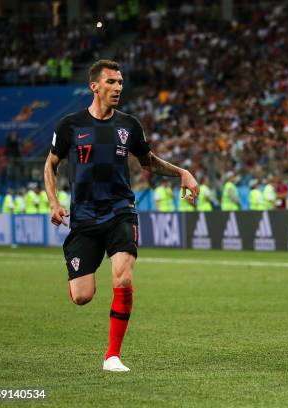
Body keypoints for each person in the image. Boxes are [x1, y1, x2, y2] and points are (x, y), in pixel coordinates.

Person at [44, 59, 199, 372]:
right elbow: (50, 164)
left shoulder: (128, 125)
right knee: (82, 296)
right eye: (111, 82)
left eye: (120, 83)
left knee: (123, 275)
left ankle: (112, 356)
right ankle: (77, 281)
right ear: (94, 86)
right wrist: (53, 201)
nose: (117, 88)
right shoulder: (70, 126)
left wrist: (182, 172)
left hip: (120, 211)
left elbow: (148, 161)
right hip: (84, 217)